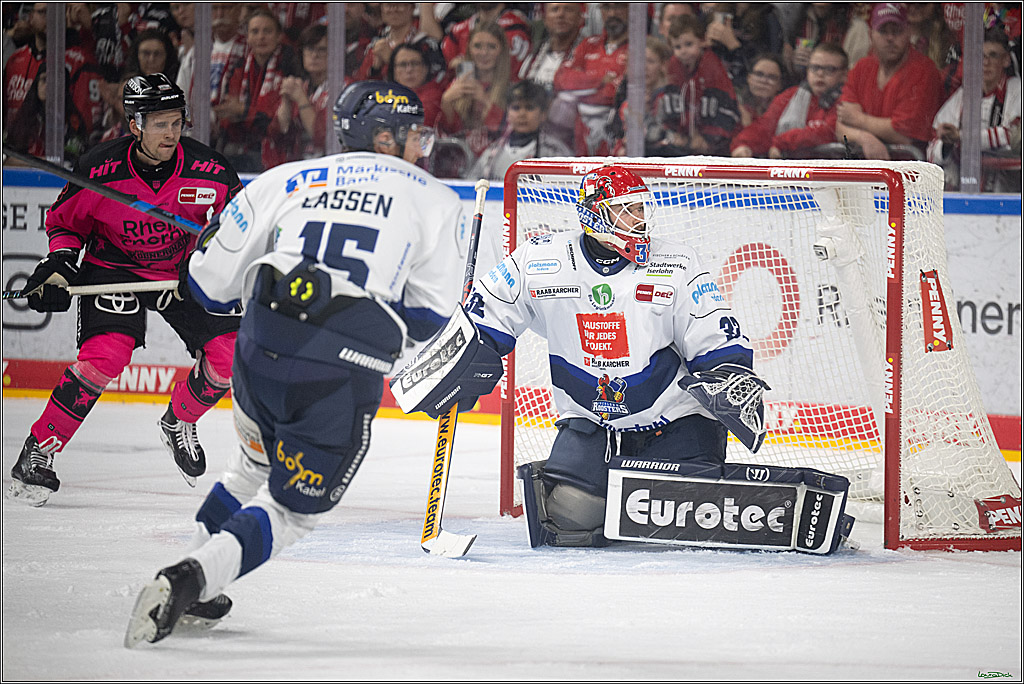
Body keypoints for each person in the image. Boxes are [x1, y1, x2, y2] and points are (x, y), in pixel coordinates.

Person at [123, 81, 467, 647]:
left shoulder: (285, 179)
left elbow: (207, 289)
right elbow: (432, 319)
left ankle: (201, 573)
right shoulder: (434, 197)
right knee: (292, 508)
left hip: (257, 351)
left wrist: (215, 241)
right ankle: (190, 579)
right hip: (337, 369)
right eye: (411, 135)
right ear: (384, 136)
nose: (419, 147)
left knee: (249, 469)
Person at [391, 165, 794, 550]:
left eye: (641, 208)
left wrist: (729, 375)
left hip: (674, 424)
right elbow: (487, 315)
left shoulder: (676, 262)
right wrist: (461, 365)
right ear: (596, 215)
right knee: (567, 519)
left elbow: (713, 332)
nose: (640, 219)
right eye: (628, 209)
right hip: (592, 426)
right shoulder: (540, 259)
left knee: (681, 518)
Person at [6, 74, 243, 508]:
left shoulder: (211, 171)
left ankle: (178, 421)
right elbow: (65, 225)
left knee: (227, 357)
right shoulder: (101, 168)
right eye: (159, 124)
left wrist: (212, 262)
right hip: (113, 266)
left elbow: (237, 231)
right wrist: (59, 266)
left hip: (182, 273)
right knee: (104, 358)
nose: (171, 133)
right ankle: (38, 451)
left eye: (176, 122)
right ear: (135, 125)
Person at [835, 2, 943, 160]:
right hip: (867, 168)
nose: (890, 38)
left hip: (910, 172)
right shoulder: (861, 67)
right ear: (871, 34)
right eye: (883, 31)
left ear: (908, 32)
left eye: (896, 31)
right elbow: (841, 125)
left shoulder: (924, 70)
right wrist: (865, 138)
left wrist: (859, 120)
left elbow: (904, 135)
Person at [927, 28, 1022, 191]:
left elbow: (1013, 136)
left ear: (1006, 60)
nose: (986, 62)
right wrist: (948, 143)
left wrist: (961, 138)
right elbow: (932, 149)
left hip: (1010, 193)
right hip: (964, 191)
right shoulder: (963, 95)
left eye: (993, 55)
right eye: (981, 55)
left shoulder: (1017, 90)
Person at [216, 8, 300, 172]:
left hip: (280, 155)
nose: (261, 37)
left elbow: (280, 126)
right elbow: (227, 117)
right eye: (255, 31)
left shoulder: (291, 66)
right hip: (241, 149)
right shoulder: (238, 68)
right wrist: (258, 116)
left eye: (267, 31)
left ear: (279, 36)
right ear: (247, 37)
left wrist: (243, 111)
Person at [731, 43, 847, 159]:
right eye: (815, 68)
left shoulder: (847, 99)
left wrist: (781, 143)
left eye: (830, 69)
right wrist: (743, 145)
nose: (820, 74)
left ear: (844, 75)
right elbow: (765, 127)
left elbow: (828, 131)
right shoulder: (791, 96)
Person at [552, 2, 631, 155]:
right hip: (579, 128)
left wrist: (582, 87)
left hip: (616, 127)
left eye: (619, 6)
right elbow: (561, 79)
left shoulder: (641, 46)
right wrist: (600, 80)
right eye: (606, 7)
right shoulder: (589, 44)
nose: (612, 13)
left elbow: (614, 93)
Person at [663, 14, 740, 156]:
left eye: (689, 44)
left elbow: (721, 102)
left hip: (718, 143)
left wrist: (707, 138)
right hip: (688, 141)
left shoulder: (711, 65)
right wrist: (678, 132)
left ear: (702, 41)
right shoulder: (674, 66)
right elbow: (673, 102)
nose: (683, 51)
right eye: (677, 47)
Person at [469, 79, 573, 181]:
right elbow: (470, 186)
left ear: (543, 114)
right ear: (508, 114)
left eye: (529, 108)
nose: (522, 114)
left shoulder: (555, 153)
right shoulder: (492, 152)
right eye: (516, 108)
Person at [439, 22, 512, 160]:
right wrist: (446, 101)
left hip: (495, 163)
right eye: (477, 46)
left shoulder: (512, 88)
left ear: (502, 51)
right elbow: (450, 132)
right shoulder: (457, 83)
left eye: (492, 47)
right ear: (469, 50)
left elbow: (506, 132)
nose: (484, 53)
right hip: (458, 162)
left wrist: (483, 99)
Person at [267, 23, 331, 165]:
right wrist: (286, 102)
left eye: (322, 50)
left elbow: (321, 137)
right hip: (296, 166)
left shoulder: (342, 88)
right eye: (309, 49)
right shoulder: (300, 86)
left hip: (327, 166)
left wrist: (301, 100)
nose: (314, 55)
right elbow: (277, 133)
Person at [388, 42, 444, 127]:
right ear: (394, 71)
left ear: (426, 69)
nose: (409, 70)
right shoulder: (385, 96)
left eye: (415, 63)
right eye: (403, 65)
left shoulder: (435, 96)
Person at [735, 54, 786, 128]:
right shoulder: (736, 105)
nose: (764, 81)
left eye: (772, 77)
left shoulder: (784, 114)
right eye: (759, 74)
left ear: (779, 85)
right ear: (749, 78)